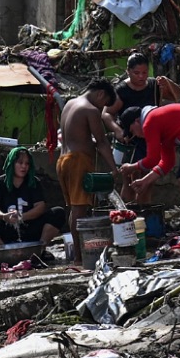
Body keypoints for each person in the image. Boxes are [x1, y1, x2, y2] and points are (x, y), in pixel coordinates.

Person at [102, 52, 180, 203]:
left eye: (144, 72)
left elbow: (177, 95)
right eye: (136, 73)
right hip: (131, 140)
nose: (141, 77)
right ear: (128, 72)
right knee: (129, 181)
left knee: (146, 182)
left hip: (151, 139)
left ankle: (143, 216)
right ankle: (126, 215)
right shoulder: (121, 90)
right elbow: (106, 114)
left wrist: (168, 83)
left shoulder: (154, 86)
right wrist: (118, 130)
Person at [57, 78, 120, 267]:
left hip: (63, 161)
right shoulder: (90, 110)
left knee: (75, 209)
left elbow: (77, 136)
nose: (102, 109)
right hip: (78, 161)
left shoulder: (70, 104)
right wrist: (114, 168)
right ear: (100, 94)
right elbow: (101, 142)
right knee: (79, 209)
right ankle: (79, 258)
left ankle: (80, 255)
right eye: (104, 104)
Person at [0, 147, 65, 258]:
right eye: (20, 163)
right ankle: (4, 252)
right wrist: (4, 216)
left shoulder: (34, 182)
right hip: (6, 229)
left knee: (58, 212)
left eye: (27, 164)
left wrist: (22, 217)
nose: (24, 167)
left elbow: (40, 207)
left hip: (29, 228)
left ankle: (40, 250)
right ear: (12, 163)